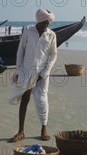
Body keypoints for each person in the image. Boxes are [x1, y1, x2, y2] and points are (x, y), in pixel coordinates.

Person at [8, 8, 57, 142]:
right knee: (24, 100)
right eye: (44, 23)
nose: (46, 25)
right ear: (38, 20)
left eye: (48, 23)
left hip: (42, 74)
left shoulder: (51, 35)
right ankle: (20, 131)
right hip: (26, 71)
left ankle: (43, 128)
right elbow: (21, 51)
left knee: (42, 101)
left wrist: (45, 72)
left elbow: (53, 55)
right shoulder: (28, 31)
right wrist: (18, 70)